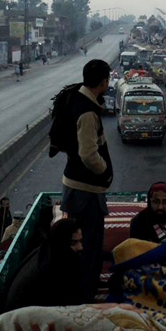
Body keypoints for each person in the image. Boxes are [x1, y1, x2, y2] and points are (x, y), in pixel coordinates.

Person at [60, 59, 114, 299]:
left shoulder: (75, 98)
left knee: (78, 246)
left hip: (76, 188)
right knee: (88, 248)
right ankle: (85, 296)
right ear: (103, 82)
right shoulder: (88, 112)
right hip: (86, 193)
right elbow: (89, 154)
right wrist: (105, 172)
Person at [4, 219, 89, 311]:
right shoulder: (50, 271)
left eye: (81, 241)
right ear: (61, 242)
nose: (80, 248)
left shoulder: (46, 254)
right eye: (73, 243)